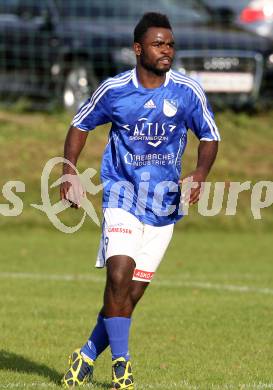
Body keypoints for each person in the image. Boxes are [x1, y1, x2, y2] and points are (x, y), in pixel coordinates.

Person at [60, 12, 220, 389]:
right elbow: (80, 125)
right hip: (121, 194)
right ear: (138, 49)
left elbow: (210, 135)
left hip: (165, 206)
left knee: (128, 296)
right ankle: (122, 366)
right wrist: (69, 172)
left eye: (170, 44)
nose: (167, 50)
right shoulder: (115, 90)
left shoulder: (187, 91)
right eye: (158, 44)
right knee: (118, 275)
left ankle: (85, 355)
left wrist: (199, 174)